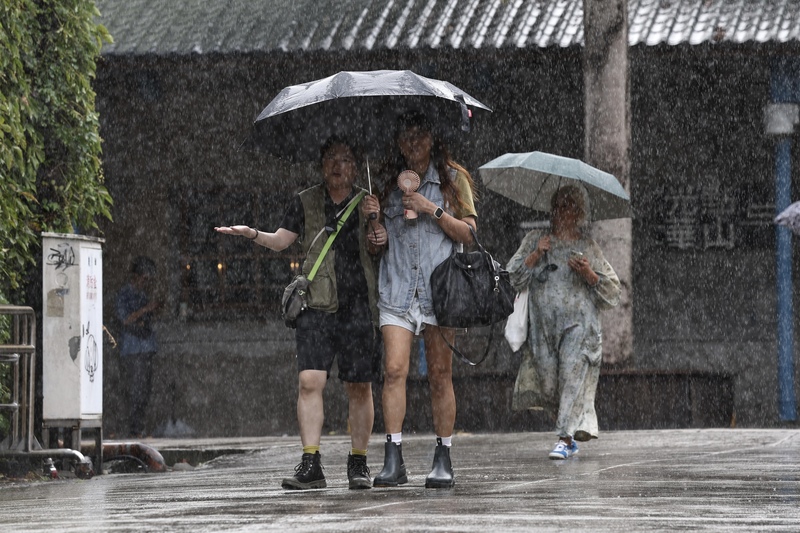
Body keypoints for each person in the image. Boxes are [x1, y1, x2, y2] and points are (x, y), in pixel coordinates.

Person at [215, 136, 387, 490]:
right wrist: (251, 234)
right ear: (322, 165)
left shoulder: (367, 202)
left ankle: (359, 464)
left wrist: (375, 223)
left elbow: (378, 247)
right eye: (330, 159)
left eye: (344, 159)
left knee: (359, 385)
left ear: (355, 167)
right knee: (310, 381)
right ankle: (311, 464)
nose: (337, 165)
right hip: (316, 303)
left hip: (357, 304)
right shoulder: (306, 200)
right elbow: (281, 240)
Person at [361, 110, 478, 489]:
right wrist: (375, 231)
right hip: (397, 289)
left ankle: (443, 456)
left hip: (439, 290)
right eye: (406, 136)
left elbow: (469, 236)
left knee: (440, 375)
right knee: (394, 371)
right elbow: (378, 243)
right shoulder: (383, 183)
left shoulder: (453, 178)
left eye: (421, 135)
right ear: (398, 142)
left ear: (433, 139)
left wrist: (433, 209)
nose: (414, 143)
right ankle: (393, 458)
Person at [505, 185, 621, 460]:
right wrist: (536, 254)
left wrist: (589, 274)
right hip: (543, 329)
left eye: (569, 207)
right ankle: (568, 428)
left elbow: (612, 290)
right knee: (548, 384)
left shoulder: (587, 247)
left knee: (571, 375)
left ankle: (564, 437)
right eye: (558, 206)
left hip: (579, 327)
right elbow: (513, 277)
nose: (562, 213)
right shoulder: (536, 239)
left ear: (578, 213)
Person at [116, 256, 161, 438]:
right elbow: (125, 319)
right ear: (135, 276)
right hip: (132, 348)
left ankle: (140, 428)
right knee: (135, 390)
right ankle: (134, 429)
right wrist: (145, 310)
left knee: (145, 389)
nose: (146, 283)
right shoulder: (125, 294)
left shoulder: (143, 294)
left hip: (146, 346)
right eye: (144, 279)